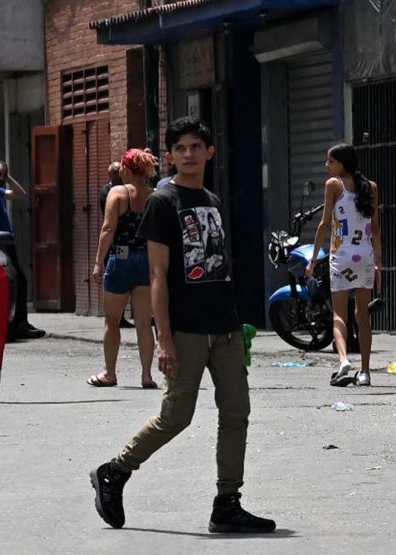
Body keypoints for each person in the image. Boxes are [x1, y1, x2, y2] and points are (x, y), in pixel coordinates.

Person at [89, 117, 275, 534]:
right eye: (180, 148)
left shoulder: (212, 199)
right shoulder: (162, 201)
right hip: (186, 329)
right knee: (176, 416)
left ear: (209, 152)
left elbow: (219, 263)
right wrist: (164, 339)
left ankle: (227, 503)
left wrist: (238, 324)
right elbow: (157, 274)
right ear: (170, 156)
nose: (188, 154)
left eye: (195, 146)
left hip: (224, 326)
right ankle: (115, 471)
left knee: (236, 412)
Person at [307, 144, 382, 387]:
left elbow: (324, 224)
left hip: (341, 255)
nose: (326, 166)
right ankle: (365, 372)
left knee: (340, 314)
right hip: (365, 256)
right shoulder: (371, 187)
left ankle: (343, 360)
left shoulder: (333, 185)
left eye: (330, 161)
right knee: (362, 314)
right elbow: (375, 228)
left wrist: (312, 260)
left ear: (342, 163)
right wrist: (379, 261)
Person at [88, 149, 158, 389]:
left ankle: (110, 373)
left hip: (121, 259)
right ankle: (147, 375)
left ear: (126, 170)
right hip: (146, 260)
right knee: (144, 323)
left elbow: (108, 229)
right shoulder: (154, 196)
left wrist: (98, 262)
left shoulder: (118, 193)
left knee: (112, 320)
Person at [0, 161, 46, 340]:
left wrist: (8, 178)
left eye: (4, 174)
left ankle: (18, 321)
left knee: (18, 282)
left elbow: (20, 194)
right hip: (2, 244)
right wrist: (2, 246)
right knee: (19, 282)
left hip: (4, 242)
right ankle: (19, 322)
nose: (2, 178)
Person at [99, 161, 135, 329]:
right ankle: (117, 318)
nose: (117, 176)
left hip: (125, 242)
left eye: (117, 172)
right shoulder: (109, 191)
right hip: (114, 243)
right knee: (115, 279)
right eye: (114, 173)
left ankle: (121, 317)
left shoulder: (123, 190)